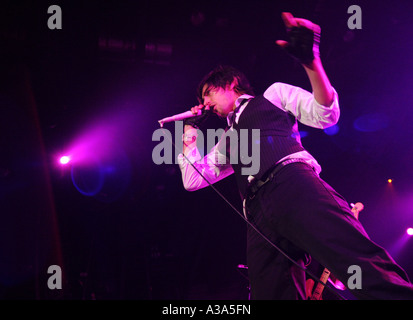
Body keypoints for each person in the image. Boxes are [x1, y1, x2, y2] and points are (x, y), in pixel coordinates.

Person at [176, 12, 413, 299]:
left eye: (208, 94)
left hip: (292, 183)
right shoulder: (227, 140)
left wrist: (311, 62)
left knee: (352, 259)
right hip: (257, 213)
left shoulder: (272, 96)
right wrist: (189, 135)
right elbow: (192, 179)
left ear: (229, 84)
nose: (204, 103)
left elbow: (325, 114)